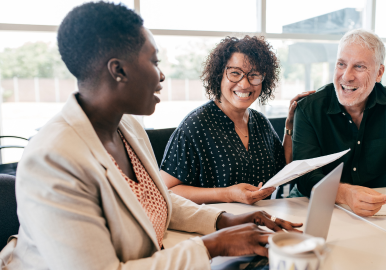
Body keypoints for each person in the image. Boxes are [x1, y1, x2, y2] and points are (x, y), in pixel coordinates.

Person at [0, 3, 303, 269]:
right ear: (119, 70)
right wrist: (214, 245)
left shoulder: (127, 127)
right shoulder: (53, 159)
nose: (161, 75)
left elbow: (160, 199)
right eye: (154, 62)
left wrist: (225, 221)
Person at [288, 29, 386, 219]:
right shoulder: (309, 108)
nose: (346, 76)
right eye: (341, 64)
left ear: (379, 73)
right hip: (312, 203)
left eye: (359, 67)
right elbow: (306, 176)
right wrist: (346, 194)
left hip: (374, 209)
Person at [160, 36, 313, 205]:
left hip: (261, 219)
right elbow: (167, 190)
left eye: (254, 75)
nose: (245, 84)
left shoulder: (260, 122)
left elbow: (284, 166)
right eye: (235, 73)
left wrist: (290, 125)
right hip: (215, 225)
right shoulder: (195, 126)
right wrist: (227, 194)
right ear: (219, 76)